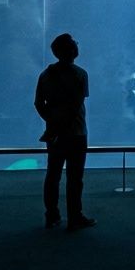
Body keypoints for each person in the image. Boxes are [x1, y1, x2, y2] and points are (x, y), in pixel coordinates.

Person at [35, 32, 97, 230]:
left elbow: (38, 103)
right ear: (71, 51)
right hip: (76, 133)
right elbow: (76, 104)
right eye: (74, 44)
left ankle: (51, 215)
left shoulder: (45, 75)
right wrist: (63, 124)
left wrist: (52, 123)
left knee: (52, 175)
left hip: (54, 134)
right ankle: (74, 217)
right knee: (75, 177)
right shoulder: (80, 74)